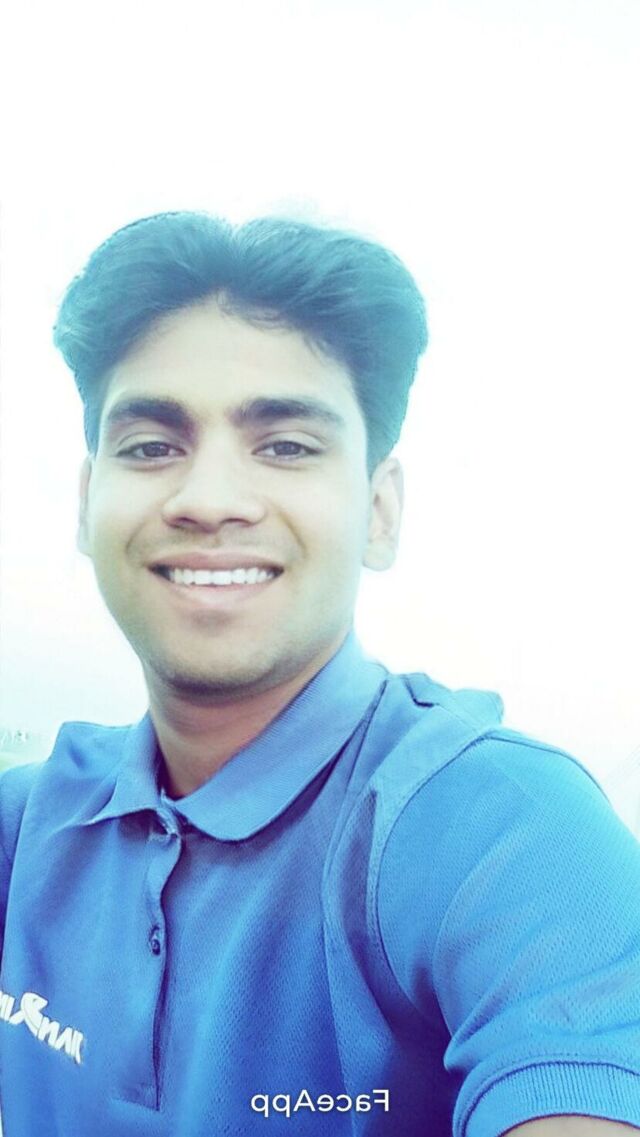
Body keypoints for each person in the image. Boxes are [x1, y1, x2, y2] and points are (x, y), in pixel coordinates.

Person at [0, 212, 639, 1137]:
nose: (208, 499)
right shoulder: (27, 828)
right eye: (151, 446)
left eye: (287, 446)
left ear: (379, 512)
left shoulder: (504, 831)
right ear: (87, 500)